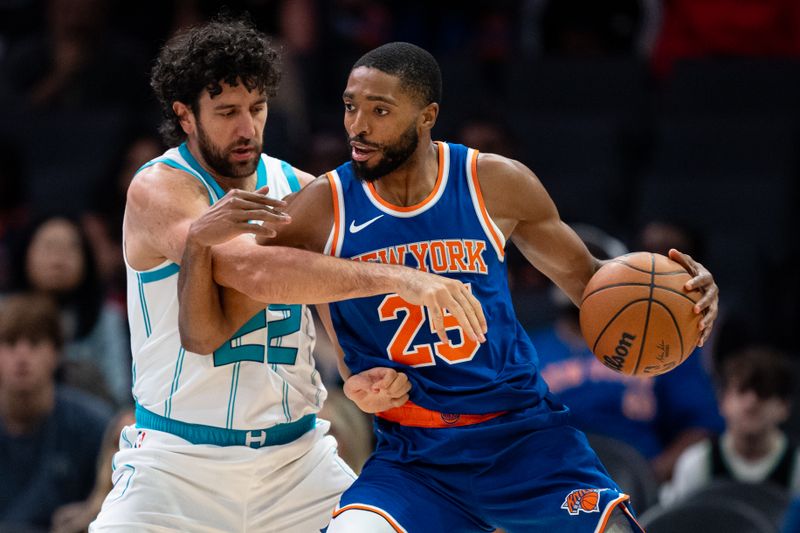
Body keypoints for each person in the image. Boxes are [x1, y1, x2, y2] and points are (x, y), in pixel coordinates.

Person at [179, 42, 720, 532]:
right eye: (350, 106)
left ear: (427, 116)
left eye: (380, 110)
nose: (358, 126)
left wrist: (683, 297)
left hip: (523, 440)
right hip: (416, 454)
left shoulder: (495, 183)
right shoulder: (324, 206)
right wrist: (348, 371)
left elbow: (593, 285)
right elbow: (222, 312)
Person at [90, 19, 485, 533]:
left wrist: (353, 369)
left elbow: (326, 293)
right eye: (227, 113)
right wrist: (400, 278)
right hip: (176, 464)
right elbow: (250, 269)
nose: (247, 128)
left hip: (297, 462)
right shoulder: (159, 188)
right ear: (185, 116)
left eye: (256, 109)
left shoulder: (298, 185)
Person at [533, 223, 724, 482]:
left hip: (636, 484)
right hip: (547, 483)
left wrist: (650, 480)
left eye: (589, 262)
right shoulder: (527, 347)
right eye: (565, 265)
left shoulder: (664, 344)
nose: (575, 274)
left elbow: (702, 426)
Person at [0, 293, 113, 531]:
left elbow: (118, 505)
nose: (22, 356)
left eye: (34, 343)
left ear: (57, 352)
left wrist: (94, 510)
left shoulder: (94, 426)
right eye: (10, 343)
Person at [6, 214, 131, 407]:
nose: (58, 257)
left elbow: (119, 395)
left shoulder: (106, 317)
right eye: (48, 246)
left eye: (70, 248)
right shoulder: (3, 312)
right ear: (25, 253)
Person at [663, 346, 800, 505]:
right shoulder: (696, 463)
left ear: (785, 406)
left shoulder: (797, 468)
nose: (751, 403)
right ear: (722, 400)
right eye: (741, 391)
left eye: (764, 393)